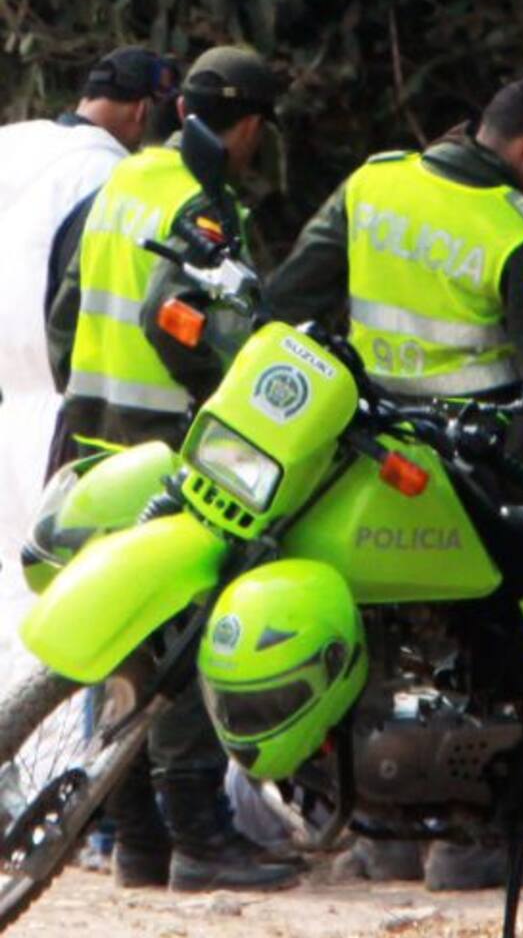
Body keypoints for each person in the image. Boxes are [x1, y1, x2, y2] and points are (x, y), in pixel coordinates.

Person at [266, 75, 523, 890]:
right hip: (465, 457)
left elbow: (288, 298)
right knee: (493, 632)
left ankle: (378, 834)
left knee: (366, 626)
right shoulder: (517, 232)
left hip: (360, 445)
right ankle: (471, 842)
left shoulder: (373, 183)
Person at [46, 45, 300, 893]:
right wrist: (227, 408)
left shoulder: (124, 181)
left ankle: (136, 839)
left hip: (97, 442)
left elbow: (64, 309)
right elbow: (179, 320)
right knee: (183, 643)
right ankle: (198, 836)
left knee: (127, 642)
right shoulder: (203, 203)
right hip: (171, 449)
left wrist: (83, 402)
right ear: (251, 126)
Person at [0, 46, 176, 696]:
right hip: (60, 411)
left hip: (6, 405)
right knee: (70, 605)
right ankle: (70, 784)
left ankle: (12, 781)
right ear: (140, 112)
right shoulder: (108, 179)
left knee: (8, 604)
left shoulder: (16, 145)